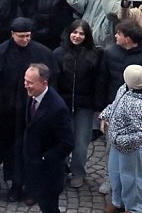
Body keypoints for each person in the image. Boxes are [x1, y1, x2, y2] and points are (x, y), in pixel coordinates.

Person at [0, 17, 58, 204]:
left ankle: (32, 188)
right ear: (12, 34)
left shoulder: (42, 53)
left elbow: (52, 83)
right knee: (13, 150)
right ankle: (15, 185)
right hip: (10, 113)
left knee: (34, 149)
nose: (25, 40)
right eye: (21, 36)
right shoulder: (0, 53)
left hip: (34, 111)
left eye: (28, 36)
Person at [52, 20, 103, 189]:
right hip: (63, 105)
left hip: (84, 106)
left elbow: (98, 81)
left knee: (81, 143)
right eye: (75, 32)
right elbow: (54, 80)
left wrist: (97, 104)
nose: (77, 36)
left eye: (81, 33)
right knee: (63, 140)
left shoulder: (94, 54)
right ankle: (61, 169)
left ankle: (78, 172)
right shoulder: (58, 53)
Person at [100, 65, 142, 213]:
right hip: (116, 141)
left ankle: (134, 208)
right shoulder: (124, 88)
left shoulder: (139, 105)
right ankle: (117, 201)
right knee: (115, 173)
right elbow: (115, 104)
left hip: (129, 148)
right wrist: (106, 115)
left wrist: (123, 141)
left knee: (131, 178)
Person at [22, 63, 74, 213]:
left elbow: (67, 143)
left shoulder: (56, 108)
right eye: (25, 80)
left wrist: (45, 158)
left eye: (30, 82)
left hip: (48, 172)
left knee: (49, 207)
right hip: (34, 166)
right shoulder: (33, 95)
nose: (26, 85)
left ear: (44, 83)